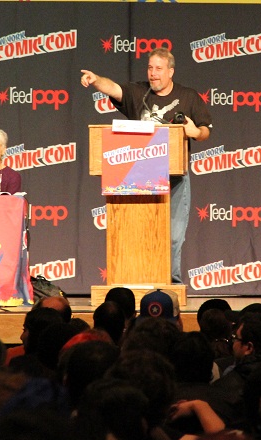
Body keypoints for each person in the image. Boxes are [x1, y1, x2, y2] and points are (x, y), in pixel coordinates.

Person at [81, 47, 213, 283]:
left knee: (173, 235)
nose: (153, 74)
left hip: (175, 177)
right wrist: (95, 80)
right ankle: (134, 279)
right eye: (150, 68)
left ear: (170, 72)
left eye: (159, 69)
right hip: (137, 175)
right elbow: (112, 88)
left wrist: (195, 131)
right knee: (138, 231)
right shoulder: (138, 92)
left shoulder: (188, 96)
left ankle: (171, 283)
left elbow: (204, 131)